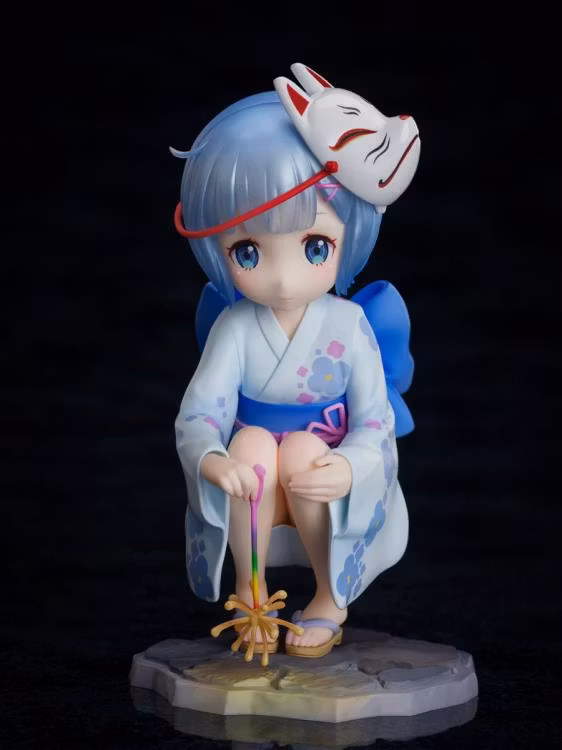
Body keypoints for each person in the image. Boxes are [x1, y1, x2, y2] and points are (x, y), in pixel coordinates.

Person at [172, 88, 413, 658]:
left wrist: (350, 467)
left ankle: (330, 596)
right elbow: (199, 414)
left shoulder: (349, 324)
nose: (283, 280)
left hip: (319, 478)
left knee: (305, 451)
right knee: (250, 445)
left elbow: (374, 421)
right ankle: (250, 591)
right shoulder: (234, 326)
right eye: (248, 252)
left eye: (314, 246)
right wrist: (211, 458)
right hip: (254, 483)